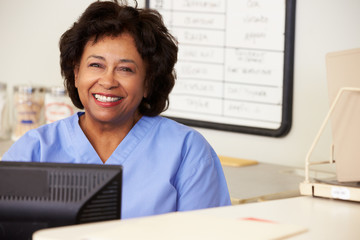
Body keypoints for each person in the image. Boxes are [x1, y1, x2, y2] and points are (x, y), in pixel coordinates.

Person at [2, 0, 231, 218]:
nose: (108, 81)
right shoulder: (35, 150)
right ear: (76, 73)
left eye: (125, 69)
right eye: (96, 65)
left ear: (148, 83)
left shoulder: (187, 152)